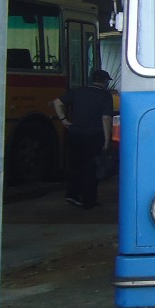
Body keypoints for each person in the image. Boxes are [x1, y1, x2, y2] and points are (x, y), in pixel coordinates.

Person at [51, 69, 114, 209]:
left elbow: (56, 102)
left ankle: (72, 194)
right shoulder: (105, 96)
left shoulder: (78, 92)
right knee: (91, 169)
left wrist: (63, 120)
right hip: (94, 136)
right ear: (104, 82)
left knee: (75, 166)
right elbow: (106, 118)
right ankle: (89, 200)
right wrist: (106, 140)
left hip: (74, 134)